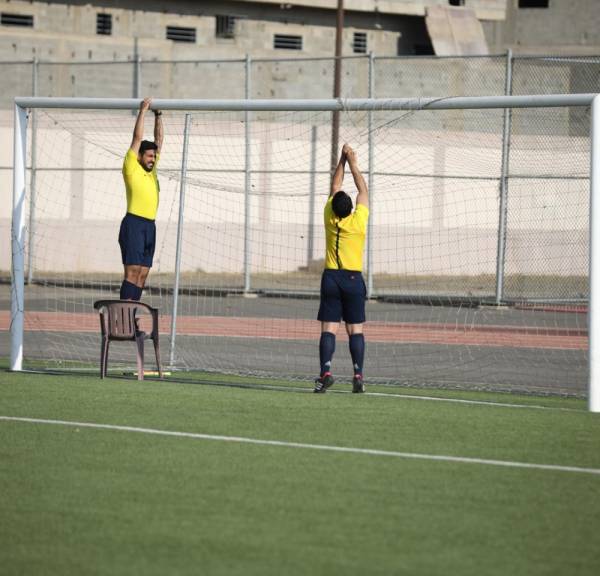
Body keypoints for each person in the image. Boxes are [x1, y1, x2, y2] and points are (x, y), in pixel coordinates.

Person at [314, 143, 369, 394]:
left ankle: (325, 372)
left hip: (331, 278)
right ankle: (358, 375)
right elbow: (363, 190)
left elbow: (335, 186)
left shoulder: (329, 217)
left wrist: (342, 159)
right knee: (355, 330)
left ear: (334, 207)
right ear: (351, 209)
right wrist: (353, 163)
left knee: (329, 329)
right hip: (353, 279)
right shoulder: (358, 221)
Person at [118, 97, 164, 301]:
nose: (153, 159)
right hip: (134, 223)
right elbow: (137, 139)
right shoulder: (131, 168)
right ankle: (123, 315)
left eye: (154, 156)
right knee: (133, 272)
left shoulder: (152, 171)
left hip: (149, 226)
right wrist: (143, 111)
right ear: (139, 156)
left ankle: (132, 314)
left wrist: (159, 114)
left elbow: (159, 140)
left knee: (143, 275)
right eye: (149, 156)